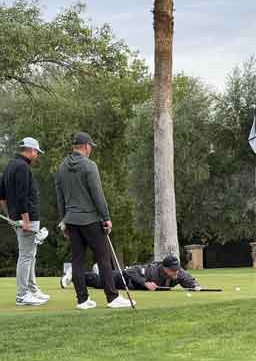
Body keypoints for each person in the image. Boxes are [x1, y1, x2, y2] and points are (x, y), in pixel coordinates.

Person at [55, 132, 134, 310]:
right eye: (90, 146)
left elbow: (60, 198)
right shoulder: (89, 166)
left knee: (77, 260)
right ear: (85, 146)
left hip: (71, 220)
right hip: (90, 219)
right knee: (103, 258)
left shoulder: (62, 167)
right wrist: (106, 217)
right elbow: (97, 194)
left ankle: (82, 300)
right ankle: (112, 297)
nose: (91, 149)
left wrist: (63, 221)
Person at [0, 137, 50, 306]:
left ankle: (32, 289)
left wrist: (10, 216)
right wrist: (26, 221)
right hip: (27, 218)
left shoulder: (10, 166)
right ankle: (22, 295)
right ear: (30, 150)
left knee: (30, 255)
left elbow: (2, 197)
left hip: (17, 218)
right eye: (36, 152)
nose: (37, 155)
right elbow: (22, 196)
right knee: (26, 256)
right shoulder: (22, 167)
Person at [60, 254, 200, 292]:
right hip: (122, 280)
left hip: (130, 284)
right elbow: (130, 271)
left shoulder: (177, 273)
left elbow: (187, 279)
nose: (176, 273)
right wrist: (145, 283)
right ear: (165, 268)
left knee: (100, 277)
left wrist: (194, 286)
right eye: (173, 270)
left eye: (177, 269)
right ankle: (73, 274)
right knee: (98, 282)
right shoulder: (152, 271)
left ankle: (96, 272)